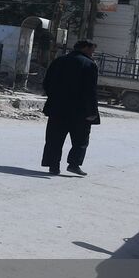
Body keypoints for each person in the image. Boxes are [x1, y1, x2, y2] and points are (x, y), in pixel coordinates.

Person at [41, 40, 101, 177]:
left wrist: (55, 98)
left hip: (57, 108)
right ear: (85, 48)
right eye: (92, 49)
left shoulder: (59, 61)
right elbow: (91, 91)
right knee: (81, 140)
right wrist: (92, 111)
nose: (93, 53)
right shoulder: (89, 64)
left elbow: (47, 83)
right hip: (80, 111)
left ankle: (53, 166)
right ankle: (74, 164)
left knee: (54, 139)